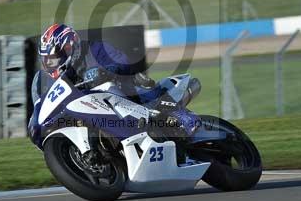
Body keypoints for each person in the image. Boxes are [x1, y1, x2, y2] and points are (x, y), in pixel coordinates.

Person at [32, 23, 200, 136]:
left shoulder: (95, 48)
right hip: (91, 109)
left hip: (122, 90)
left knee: (122, 87)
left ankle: (182, 116)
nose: (50, 64)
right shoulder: (56, 79)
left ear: (69, 48)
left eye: (53, 59)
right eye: (46, 60)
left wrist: (106, 71)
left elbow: (122, 61)